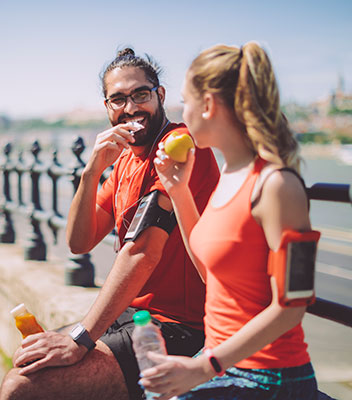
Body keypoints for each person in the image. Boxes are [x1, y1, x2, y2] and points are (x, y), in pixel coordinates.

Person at [0, 48, 220, 400]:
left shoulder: (179, 151)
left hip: (180, 327)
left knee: (21, 388)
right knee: (25, 361)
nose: (131, 108)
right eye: (118, 99)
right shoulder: (123, 162)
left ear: (160, 95)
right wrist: (91, 172)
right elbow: (79, 242)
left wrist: (81, 338)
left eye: (141, 95)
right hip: (132, 315)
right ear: (107, 107)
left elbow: (143, 252)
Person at [139, 41, 318, 399]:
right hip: (219, 360)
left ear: (207, 105)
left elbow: (293, 305)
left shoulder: (277, 185)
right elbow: (210, 274)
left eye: (185, 102)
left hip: (271, 376)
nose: (181, 112)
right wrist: (179, 192)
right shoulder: (229, 174)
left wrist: (205, 368)